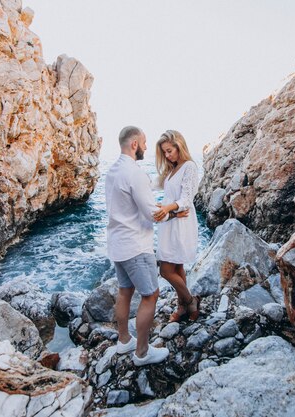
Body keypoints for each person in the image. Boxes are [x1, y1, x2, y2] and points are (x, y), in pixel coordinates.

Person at [105, 126, 186, 366]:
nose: (146, 148)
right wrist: (174, 213)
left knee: (124, 291)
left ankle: (123, 341)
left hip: (117, 244)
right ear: (134, 144)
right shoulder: (135, 173)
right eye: (144, 143)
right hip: (135, 246)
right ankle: (142, 352)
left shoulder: (112, 171)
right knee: (150, 295)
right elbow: (153, 214)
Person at [153, 130, 201, 322]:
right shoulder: (171, 170)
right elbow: (153, 187)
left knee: (165, 270)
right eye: (164, 152)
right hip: (171, 220)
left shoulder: (189, 166)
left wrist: (167, 208)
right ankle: (183, 306)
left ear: (179, 146)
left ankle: (190, 301)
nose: (167, 155)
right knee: (177, 264)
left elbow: (186, 199)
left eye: (169, 150)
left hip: (182, 220)